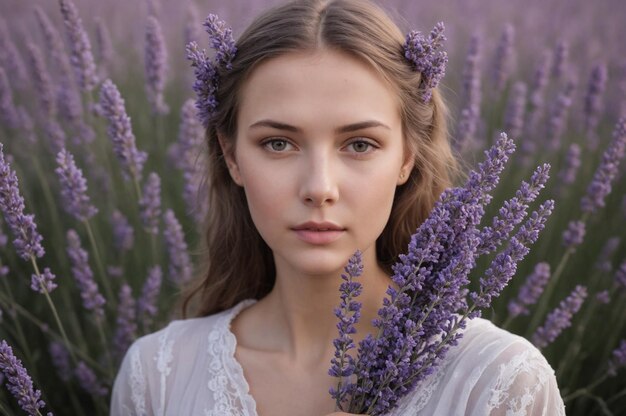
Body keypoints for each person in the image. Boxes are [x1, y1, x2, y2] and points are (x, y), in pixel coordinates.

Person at [111, 0, 566, 414]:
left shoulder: (496, 383)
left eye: (360, 144)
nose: (319, 187)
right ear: (231, 156)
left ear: (407, 156)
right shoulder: (159, 376)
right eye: (278, 143)